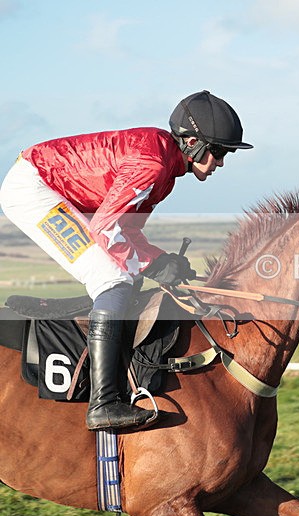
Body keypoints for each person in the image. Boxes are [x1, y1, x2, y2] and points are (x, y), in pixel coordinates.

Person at [0, 90, 253, 431]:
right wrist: (153, 264)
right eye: (218, 151)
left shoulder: (165, 170)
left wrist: (161, 260)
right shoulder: (153, 164)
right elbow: (107, 228)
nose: (220, 162)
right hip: (33, 189)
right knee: (112, 280)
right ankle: (102, 403)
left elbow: (126, 231)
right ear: (193, 142)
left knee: (125, 276)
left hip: (55, 188)